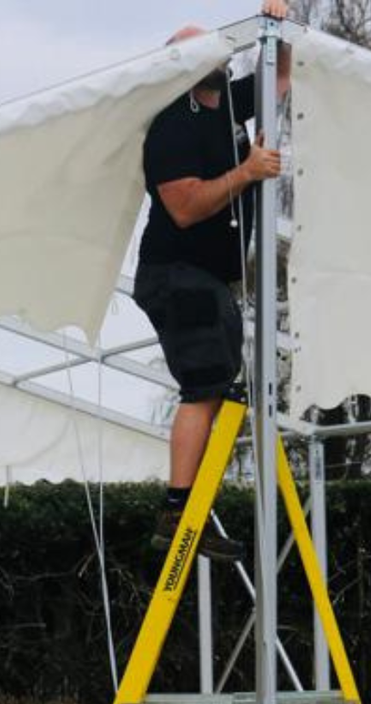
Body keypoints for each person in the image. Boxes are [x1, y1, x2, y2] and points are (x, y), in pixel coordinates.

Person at [135, 2, 292, 561]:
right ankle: (180, 515)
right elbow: (182, 207)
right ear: (180, 66)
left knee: (219, 386)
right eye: (196, 51)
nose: (214, 59)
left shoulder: (227, 104)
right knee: (204, 386)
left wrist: (279, 24)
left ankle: (190, 511)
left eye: (214, 49)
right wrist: (247, 172)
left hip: (204, 279)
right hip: (175, 275)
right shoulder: (172, 124)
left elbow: (279, 74)